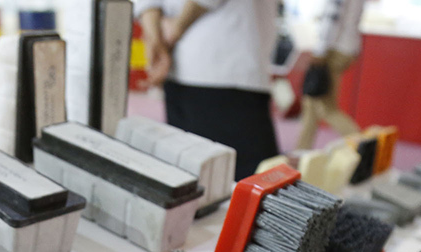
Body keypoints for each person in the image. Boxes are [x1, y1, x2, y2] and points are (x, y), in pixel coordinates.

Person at [136, 0, 280, 179]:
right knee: (249, 183)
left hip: (212, 68)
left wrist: (159, 34)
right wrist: (164, 33)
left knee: (196, 179)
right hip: (221, 68)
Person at [295, 0, 366, 151]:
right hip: (345, 47)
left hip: (333, 49)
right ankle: (301, 151)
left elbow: (333, 17)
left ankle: (364, 145)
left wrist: (320, 50)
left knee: (326, 107)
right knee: (311, 103)